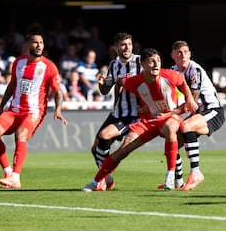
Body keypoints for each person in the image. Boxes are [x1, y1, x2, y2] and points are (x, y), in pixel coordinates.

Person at [81, 47, 198, 192]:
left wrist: (190, 99)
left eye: (158, 61)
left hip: (171, 117)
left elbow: (183, 83)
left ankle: (170, 175)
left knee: (169, 127)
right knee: (123, 150)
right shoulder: (135, 81)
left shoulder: (170, 75)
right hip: (148, 121)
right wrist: (116, 102)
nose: (156, 64)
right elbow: (119, 81)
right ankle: (96, 181)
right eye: (151, 62)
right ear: (143, 64)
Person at [0, 32, 68, 189]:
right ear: (27, 44)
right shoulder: (18, 62)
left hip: (34, 111)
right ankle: (8, 172)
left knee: (20, 134)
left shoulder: (49, 67)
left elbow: (58, 92)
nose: (39, 46)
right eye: (35, 42)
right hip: (14, 109)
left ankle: (15, 177)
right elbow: (12, 84)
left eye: (41, 42)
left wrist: (58, 110)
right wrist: (3, 104)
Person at [88, 32, 142, 190]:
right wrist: (101, 84)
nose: (127, 48)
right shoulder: (114, 64)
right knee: (95, 148)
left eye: (129, 44)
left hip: (134, 114)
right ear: (116, 47)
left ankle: (102, 179)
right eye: (123, 45)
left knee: (106, 138)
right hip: (118, 112)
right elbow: (105, 90)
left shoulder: (140, 62)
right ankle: (107, 178)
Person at [169, 40, 225, 191]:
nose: (183, 55)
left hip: (212, 111)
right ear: (172, 55)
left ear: (190, 54)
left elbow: (192, 103)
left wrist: (171, 112)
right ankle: (178, 182)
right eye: (179, 52)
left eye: (186, 52)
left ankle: (196, 173)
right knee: (171, 141)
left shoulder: (195, 70)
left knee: (186, 126)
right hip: (198, 114)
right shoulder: (173, 71)